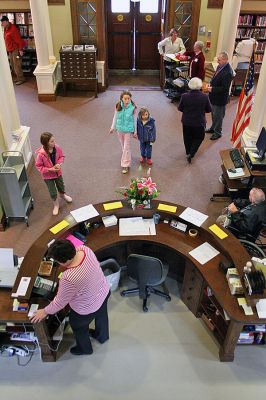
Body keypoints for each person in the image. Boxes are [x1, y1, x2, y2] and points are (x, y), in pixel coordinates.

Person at [30, 240, 111, 356]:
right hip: (103, 292)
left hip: (86, 308)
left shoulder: (68, 277)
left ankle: (85, 349)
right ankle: (102, 336)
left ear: (62, 261)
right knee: (102, 316)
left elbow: (60, 303)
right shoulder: (85, 250)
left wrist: (45, 311)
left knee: (78, 326)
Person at [35, 132, 72, 216]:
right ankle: (56, 205)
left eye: (54, 140)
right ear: (46, 143)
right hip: (48, 177)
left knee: (61, 185)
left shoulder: (57, 147)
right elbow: (38, 166)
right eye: (51, 141)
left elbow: (62, 156)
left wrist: (59, 164)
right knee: (52, 192)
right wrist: (49, 169)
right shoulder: (41, 155)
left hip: (58, 173)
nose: (54, 143)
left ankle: (63, 195)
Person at [178, 77, 212, 163]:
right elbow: (208, 109)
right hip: (199, 122)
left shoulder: (184, 96)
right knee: (199, 137)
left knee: (187, 137)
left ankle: (188, 151)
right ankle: (192, 153)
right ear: (200, 85)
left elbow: (180, 108)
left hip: (187, 121)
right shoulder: (204, 96)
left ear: (190, 85)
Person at [205, 51, 234, 140]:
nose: (217, 61)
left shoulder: (228, 72)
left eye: (219, 60)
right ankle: (213, 128)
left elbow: (225, 88)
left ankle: (218, 132)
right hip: (214, 96)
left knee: (218, 116)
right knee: (214, 114)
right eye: (218, 59)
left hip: (220, 99)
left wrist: (212, 89)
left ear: (225, 60)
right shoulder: (220, 66)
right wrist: (210, 84)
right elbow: (214, 77)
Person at [110, 90, 137, 174]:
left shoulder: (133, 107)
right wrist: (112, 127)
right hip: (119, 129)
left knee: (126, 147)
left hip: (128, 130)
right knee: (123, 146)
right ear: (121, 98)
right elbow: (115, 117)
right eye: (125, 98)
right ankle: (127, 156)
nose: (127, 100)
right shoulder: (118, 106)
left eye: (128, 98)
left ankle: (125, 165)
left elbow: (135, 120)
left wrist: (135, 131)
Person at [1, 15, 26, 85]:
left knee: (17, 64)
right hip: (10, 50)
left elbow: (19, 41)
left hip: (16, 50)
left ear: (6, 21)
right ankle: (18, 77)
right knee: (12, 64)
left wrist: (20, 50)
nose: (1, 24)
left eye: (2, 22)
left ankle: (21, 78)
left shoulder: (13, 29)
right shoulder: (6, 29)